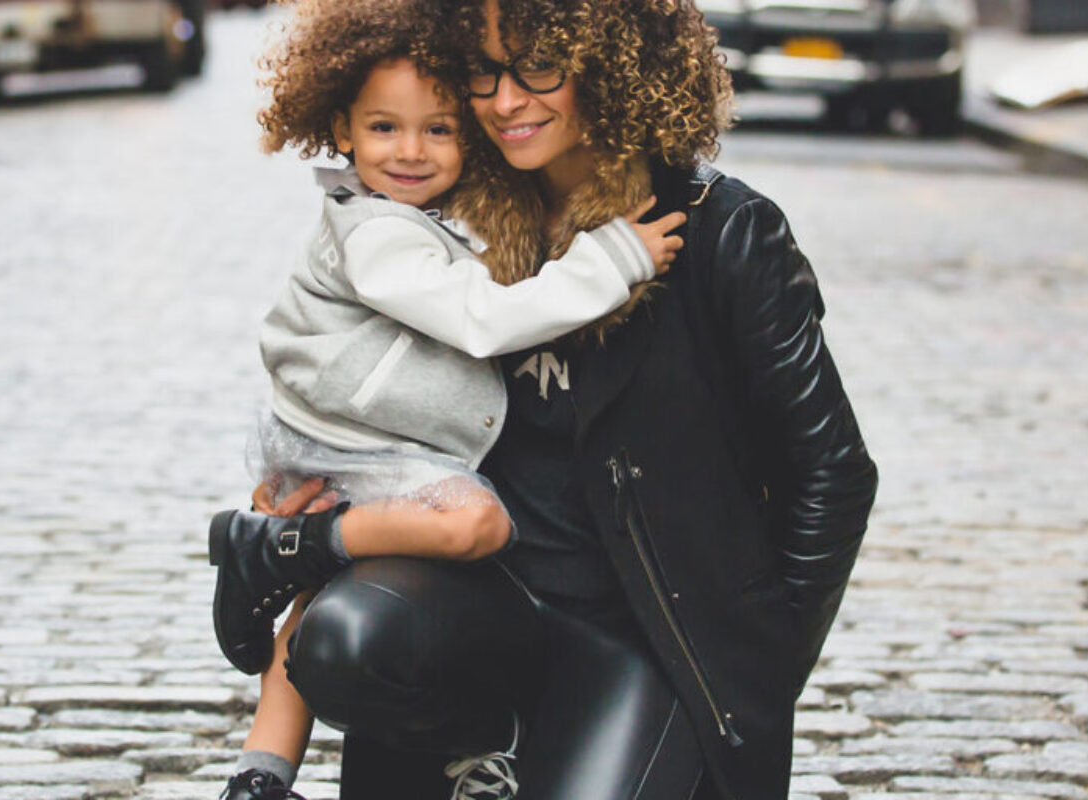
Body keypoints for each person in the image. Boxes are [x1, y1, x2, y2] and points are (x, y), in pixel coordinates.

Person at [258, 0, 881, 798]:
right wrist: (306, 504)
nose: (506, 100)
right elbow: (352, 392)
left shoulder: (722, 232)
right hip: (483, 612)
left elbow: (832, 475)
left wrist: (750, 674)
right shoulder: (444, 221)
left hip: (647, 641)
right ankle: (487, 740)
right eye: (483, 70)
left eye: (539, 64)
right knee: (342, 639)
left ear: (610, 58)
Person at [207, 1, 688, 797]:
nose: (411, 152)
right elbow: (481, 318)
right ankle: (478, 738)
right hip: (363, 448)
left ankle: (260, 772)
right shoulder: (378, 232)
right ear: (341, 131)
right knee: (478, 523)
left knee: (310, 615)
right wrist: (613, 258)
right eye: (384, 129)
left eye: (438, 129)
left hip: (337, 439)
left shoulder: (422, 217)